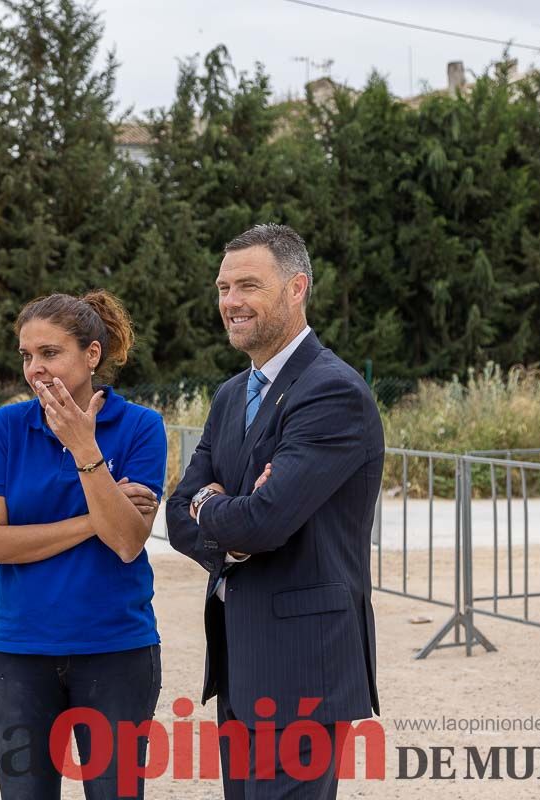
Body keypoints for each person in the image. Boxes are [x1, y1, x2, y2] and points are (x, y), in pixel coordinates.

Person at [166, 224, 383, 800]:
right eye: (222, 288)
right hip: (241, 660)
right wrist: (228, 518)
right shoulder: (232, 395)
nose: (230, 302)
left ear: (296, 288)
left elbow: (263, 521)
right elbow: (177, 516)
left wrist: (216, 504)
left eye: (247, 286)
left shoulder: (331, 392)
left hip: (302, 669)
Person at [0, 290, 168, 800]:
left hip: (117, 650)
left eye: (50, 353)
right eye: (26, 355)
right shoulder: (6, 427)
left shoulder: (141, 428)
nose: (34, 368)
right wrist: (93, 519)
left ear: (92, 354)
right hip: (20, 653)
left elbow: (126, 541)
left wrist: (85, 447)